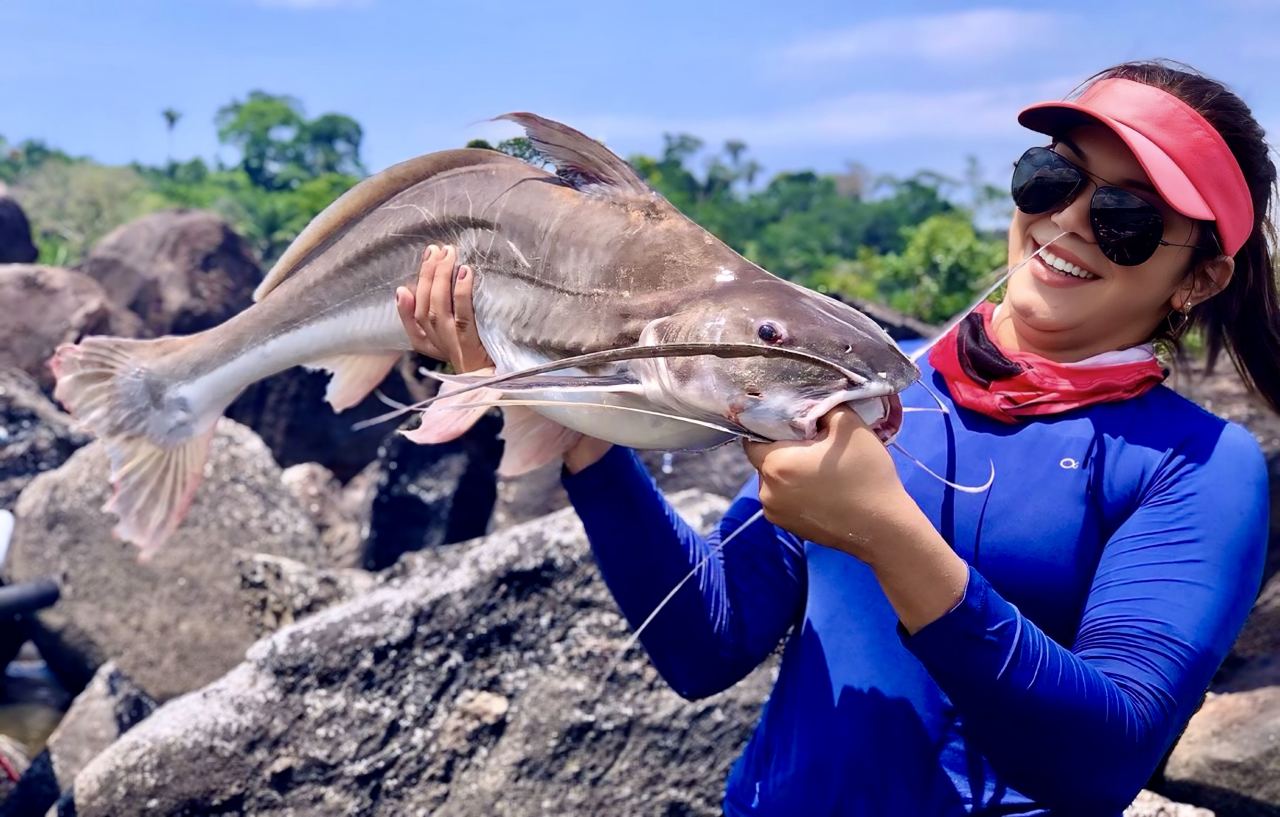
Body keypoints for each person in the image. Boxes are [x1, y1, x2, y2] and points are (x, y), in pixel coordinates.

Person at [395, 60, 1276, 815]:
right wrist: (567, 416)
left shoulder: (1198, 469)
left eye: (1128, 217)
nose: (1071, 218)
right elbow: (706, 638)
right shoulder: (862, 382)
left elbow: (1097, 765)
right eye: (1052, 176)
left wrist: (888, 535)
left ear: (1199, 275)